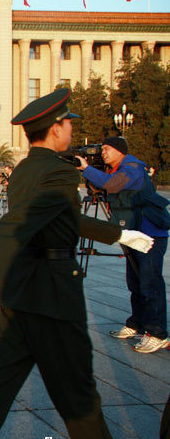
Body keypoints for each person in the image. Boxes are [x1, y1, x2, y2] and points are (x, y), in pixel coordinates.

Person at [0, 88, 154, 439]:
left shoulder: (25, 169)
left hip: (20, 290)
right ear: (55, 128)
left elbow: (65, 219)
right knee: (76, 388)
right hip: (53, 293)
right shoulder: (59, 171)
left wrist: (121, 235)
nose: (72, 128)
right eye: (69, 123)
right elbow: (19, 222)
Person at [76, 136, 170, 354]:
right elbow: (105, 188)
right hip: (133, 232)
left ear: (120, 151)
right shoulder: (115, 169)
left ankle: (157, 334)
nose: (103, 153)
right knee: (135, 281)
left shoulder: (133, 168)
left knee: (149, 282)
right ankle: (137, 324)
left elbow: (114, 184)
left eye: (107, 149)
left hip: (150, 234)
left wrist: (87, 169)